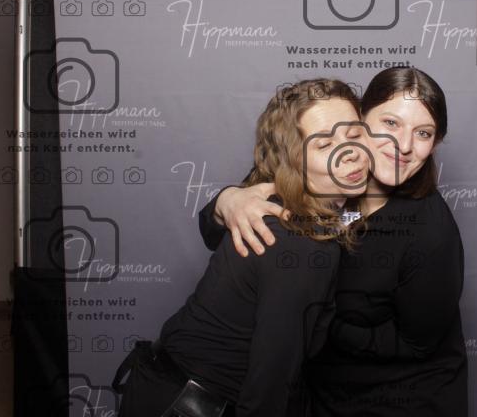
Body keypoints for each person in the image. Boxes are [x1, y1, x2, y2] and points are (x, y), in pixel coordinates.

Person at [199, 67, 468, 416]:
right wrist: (228, 201)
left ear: (435, 144)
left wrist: (316, 319)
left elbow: (418, 345)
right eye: (390, 123)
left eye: (423, 133)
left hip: (404, 401)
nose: (403, 146)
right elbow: (214, 232)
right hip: (320, 395)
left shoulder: (431, 232)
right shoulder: (321, 169)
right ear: (360, 120)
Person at [115, 79, 369, 417]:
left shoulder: (287, 200)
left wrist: (226, 198)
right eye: (324, 144)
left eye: (354, 135)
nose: (349, 152)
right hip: (186, 404)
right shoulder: (304, 244)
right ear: (292, 161)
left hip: (164, 383)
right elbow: (271, 382)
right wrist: (226, 201)